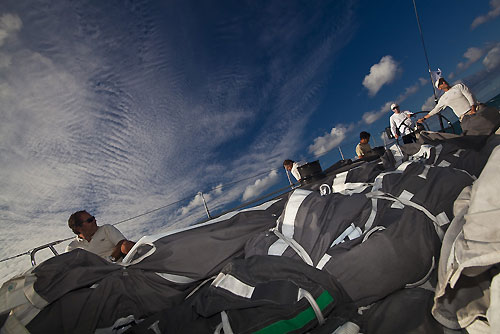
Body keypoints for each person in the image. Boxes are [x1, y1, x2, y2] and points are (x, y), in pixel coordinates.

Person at [417, 78, 500, 135]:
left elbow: (469, 95)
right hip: (464, 117)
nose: (443, 82)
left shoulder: (459, 86)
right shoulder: (443, 99)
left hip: (476, 109)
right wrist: (424, 118)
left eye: (443, 80)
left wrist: (473, 109)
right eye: (441, 83)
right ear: (439, 88)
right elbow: (436, 110)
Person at [66, 210, 135, 262]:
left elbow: (121, 243)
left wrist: (111, 259)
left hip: (119, 267)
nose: (95, 220)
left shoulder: (106, 229)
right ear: (79, 227)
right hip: (95, 277)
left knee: (127, 245)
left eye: (93, 218)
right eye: (90, 220)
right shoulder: (72, 248)